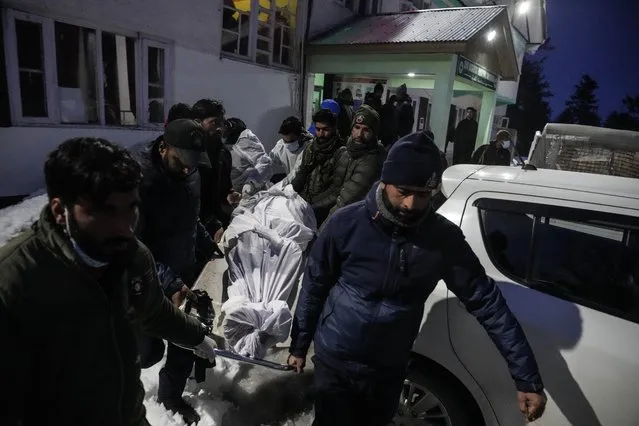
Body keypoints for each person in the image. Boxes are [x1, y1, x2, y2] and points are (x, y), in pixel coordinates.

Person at [288, 133, 547, 426]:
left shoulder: (443, 240)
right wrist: (299, 345)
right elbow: (314, 285)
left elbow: (489, 305)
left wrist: (526, 378)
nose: (411, 204)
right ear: (385, 181)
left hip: (388, 369)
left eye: (423, 194)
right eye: (403, 191)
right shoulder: (346, 224)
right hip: (336, 359)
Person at [0, 137, 217, 426]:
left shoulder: (132, 256)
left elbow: (153, 310)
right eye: (104, 212)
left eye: (131, 208)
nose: (125, 227)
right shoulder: (14, 281)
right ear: (59, 211)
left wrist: (194, 336)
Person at [132, 118, 219, 424]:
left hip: (183, 268)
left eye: (192, 163)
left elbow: (189, 216)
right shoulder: (140, 179)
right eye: (180, 161)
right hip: (148, 277)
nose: (186, 169)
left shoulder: (190, 171)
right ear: (163, 147)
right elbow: (131, 245)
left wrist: (208, 243)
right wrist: (168, 281)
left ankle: (170, 396)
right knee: (147, 352)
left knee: (185, 335)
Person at [326, 105, 386, 220]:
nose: (359, 134)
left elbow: (344, 203)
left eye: (366, 130)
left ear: (374, 134)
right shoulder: (347, 152)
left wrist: (320, 236)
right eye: (357, 127)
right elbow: (334, 191)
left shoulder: (372, 160)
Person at [192, 99, 238, 241]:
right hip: (195, 227)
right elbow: (192, 201)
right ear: (198, 122)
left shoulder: (224, 154)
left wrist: (231, 195)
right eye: (214, 123)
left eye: (222, 123)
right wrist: (211, 223)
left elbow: (225, 187)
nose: (220, 129)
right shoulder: (191, 155)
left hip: (218, 224)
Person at [292, 108, 347, 226]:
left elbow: (335, 190)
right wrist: (290, 193)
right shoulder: (311, 148)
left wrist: (310, 206)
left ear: (334, 129)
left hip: (321, 211)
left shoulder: (341, 153)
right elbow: (302, 173)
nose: (321, 134)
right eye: (318, 129)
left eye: (325, 129)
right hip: (303, 202)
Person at [223, 117, 273, 197]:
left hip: (250, 194)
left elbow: (264, 162)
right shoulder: (220, 144)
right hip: (231, 194)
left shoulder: (243, 139)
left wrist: (251, 183)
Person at [269, 116, 313, 184]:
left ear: (301, 136)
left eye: (291, 141)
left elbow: (296, 173)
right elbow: (268, 161)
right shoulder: (281, 145)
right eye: (285, 141)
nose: (287, 144)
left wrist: (279, 186)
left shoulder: (309, 148)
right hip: (290, 182)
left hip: (306, 185)